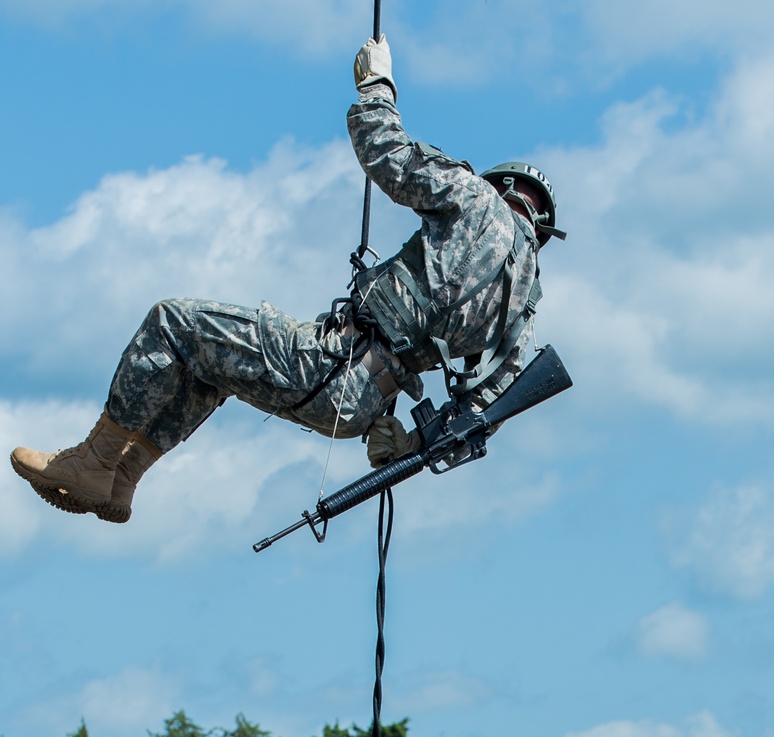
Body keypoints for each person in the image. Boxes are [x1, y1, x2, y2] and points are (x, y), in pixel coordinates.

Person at [9, 34, 563, 525]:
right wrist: (410, 442)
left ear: (504, 187)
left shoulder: (477, 200)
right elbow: (480, 414)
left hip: (327, 364)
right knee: (210, 365)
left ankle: (94, 461)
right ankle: (123, 479)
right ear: (540, 232)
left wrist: (378, 85)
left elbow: (387, 154)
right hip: (360, 407)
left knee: (172, 322)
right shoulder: (522, 310)